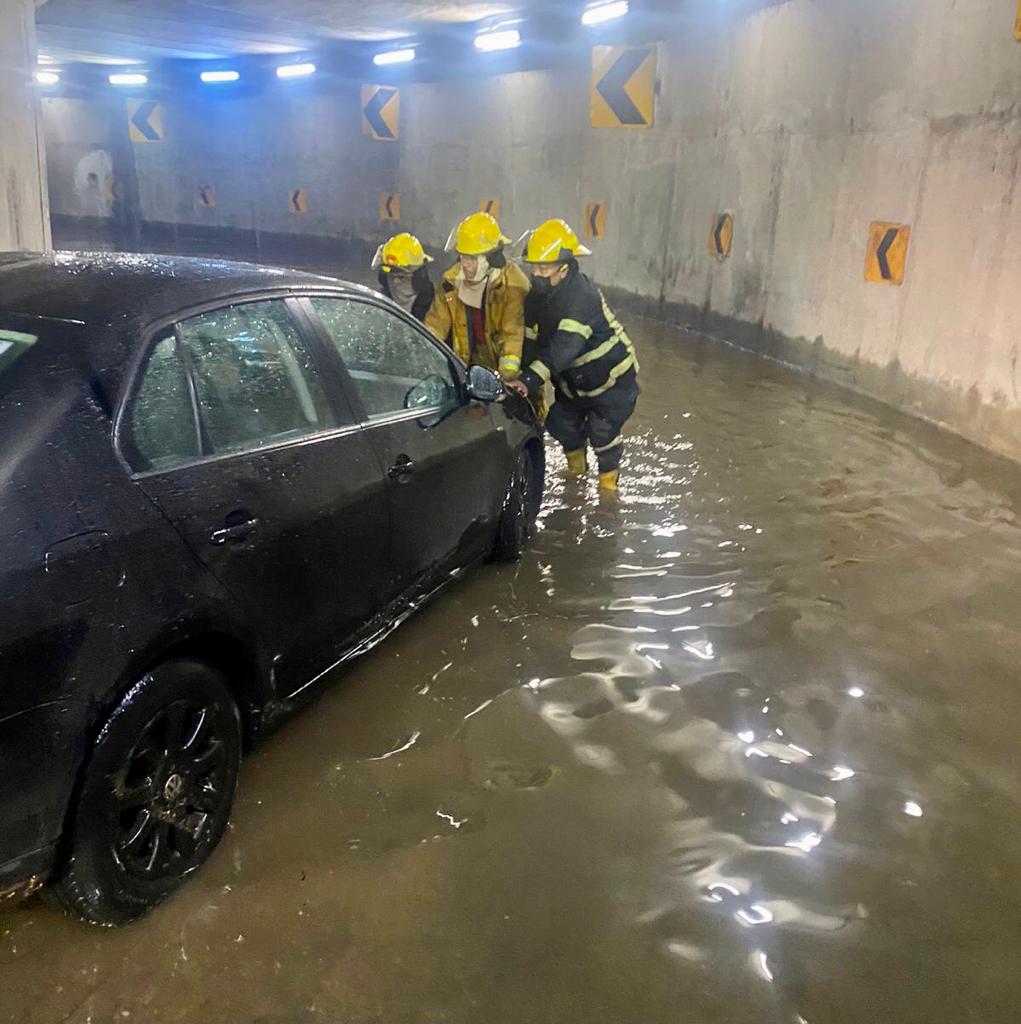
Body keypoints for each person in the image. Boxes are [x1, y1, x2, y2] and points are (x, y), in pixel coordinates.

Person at [507, 218, 639, 492]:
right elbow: (531, 342)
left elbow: (565, 347)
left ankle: (607, 493)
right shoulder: (537, 299)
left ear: (564, 269)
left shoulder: (583, 297)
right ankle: (576, 481)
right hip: (573, 384)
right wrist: (517, 377)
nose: (537, 274)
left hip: (612, 383)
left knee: (603, 433)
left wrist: (531, 379)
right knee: (561, 424)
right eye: (534, 267)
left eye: (544, 267)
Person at [424, 211, 529, 381]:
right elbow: (435, 326)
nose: (465, 264)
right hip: (470, 371)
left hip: (511, 378)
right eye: (462, 256)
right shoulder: (451, 282)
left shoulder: (513, 286)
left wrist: (505, 380)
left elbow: (512, 338)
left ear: (493, 258)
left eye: (472, 258)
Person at [372, 233, 435, 321]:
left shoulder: (434, 307)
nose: (395, 282)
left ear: (418, 277)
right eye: (391, 276)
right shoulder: (379, 303)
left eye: (401, 277)